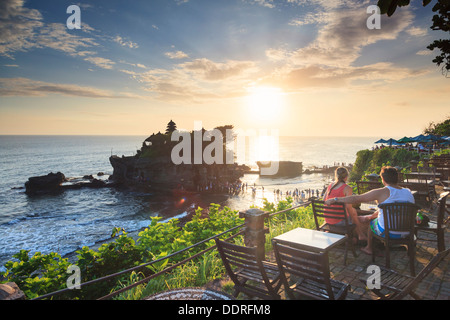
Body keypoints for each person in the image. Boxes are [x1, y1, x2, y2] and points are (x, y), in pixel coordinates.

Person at [325, 166, 415, 255]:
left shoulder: (381, 192)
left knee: (372, 223)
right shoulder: (408, 192)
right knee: (373, 218)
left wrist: (335, 199)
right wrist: (371, 215)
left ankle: (369, 248)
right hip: (407, 233)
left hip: (388, 233)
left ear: (383, 179)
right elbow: (391, 211)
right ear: (397, 178)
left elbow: (357, 198)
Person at [323, 167, 367, 241]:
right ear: (346, 177)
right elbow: (348, 207)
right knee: (353, 212)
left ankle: (355, 236)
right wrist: (352, 216)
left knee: (353, 212)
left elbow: (324, 200)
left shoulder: (330, 186)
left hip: (328, 219)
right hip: (340, 222)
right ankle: (360, 234)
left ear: (336, 176)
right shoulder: (347, 188)